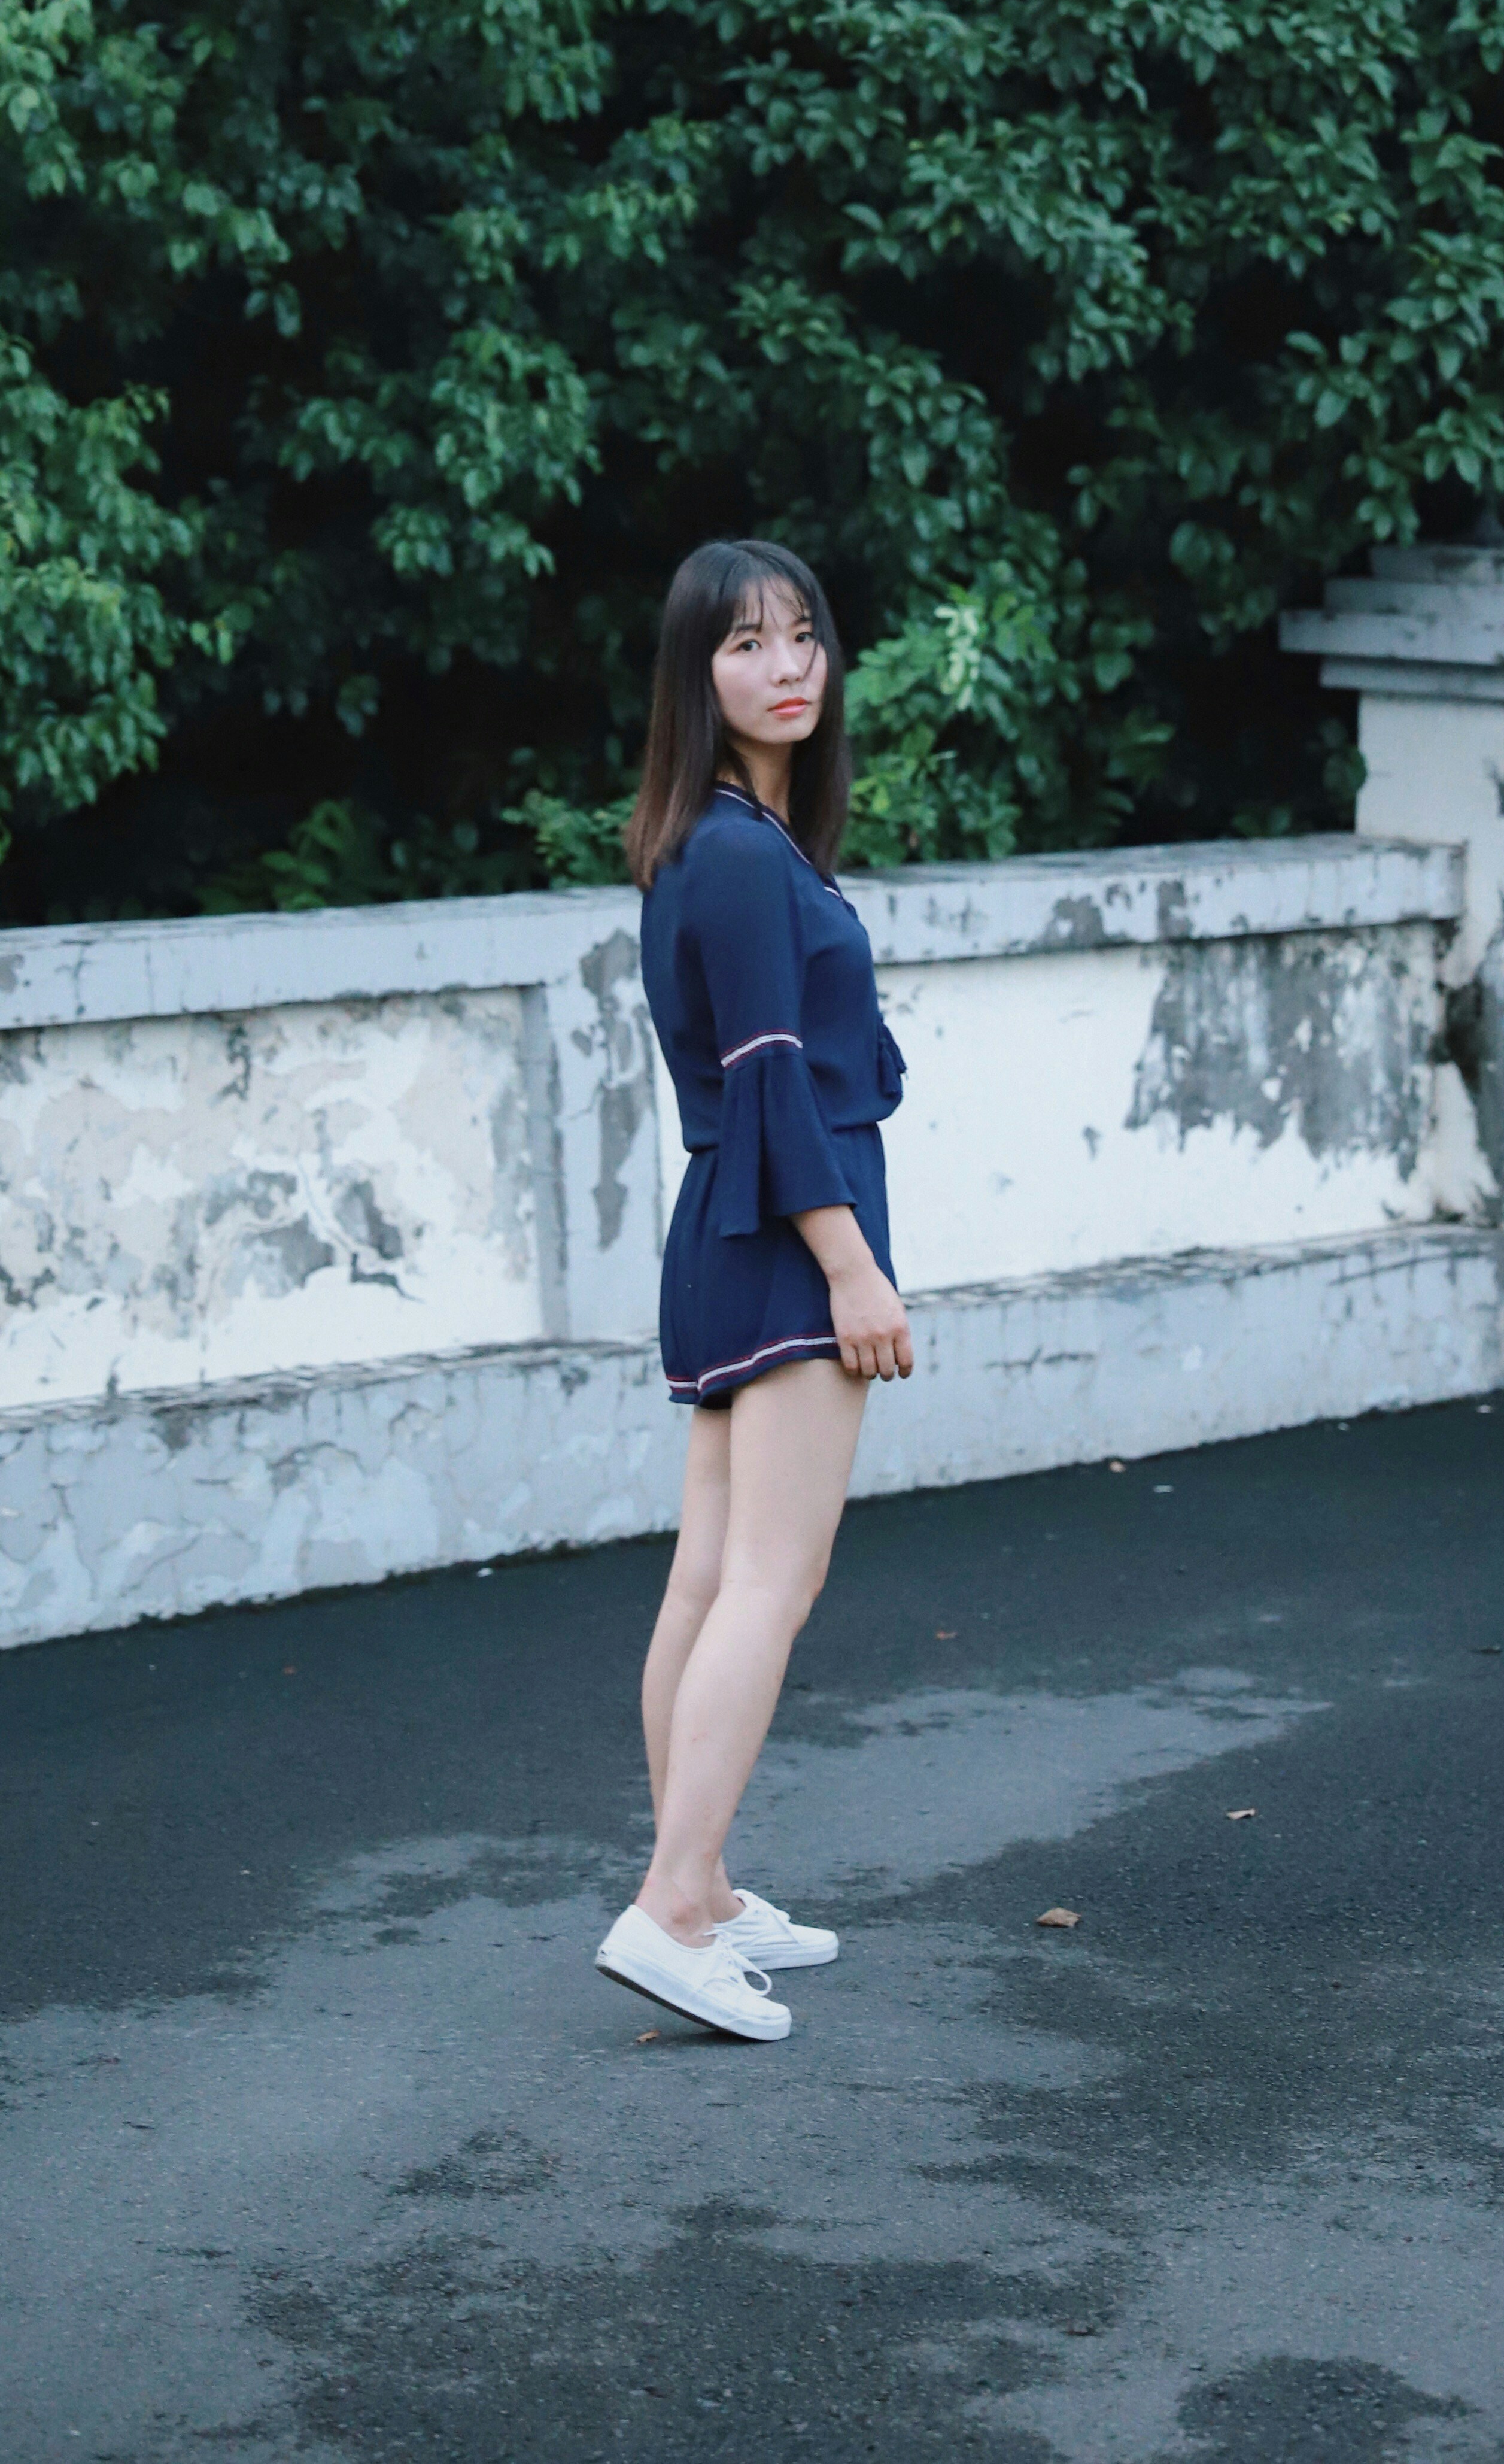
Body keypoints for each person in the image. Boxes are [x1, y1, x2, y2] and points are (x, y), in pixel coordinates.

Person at [595, 539, 913, 2043]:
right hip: (789, 1233)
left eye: (802, 638)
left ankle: (703, 1886)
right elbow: (772, 1078)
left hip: (730, 1227)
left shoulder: (714, 842)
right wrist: (854, 1268)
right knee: (770, 1586)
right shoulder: (730, 851)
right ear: (694, 675)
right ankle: (669, 1907)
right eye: (745, 645)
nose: (787, 666)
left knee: (712, 1580)